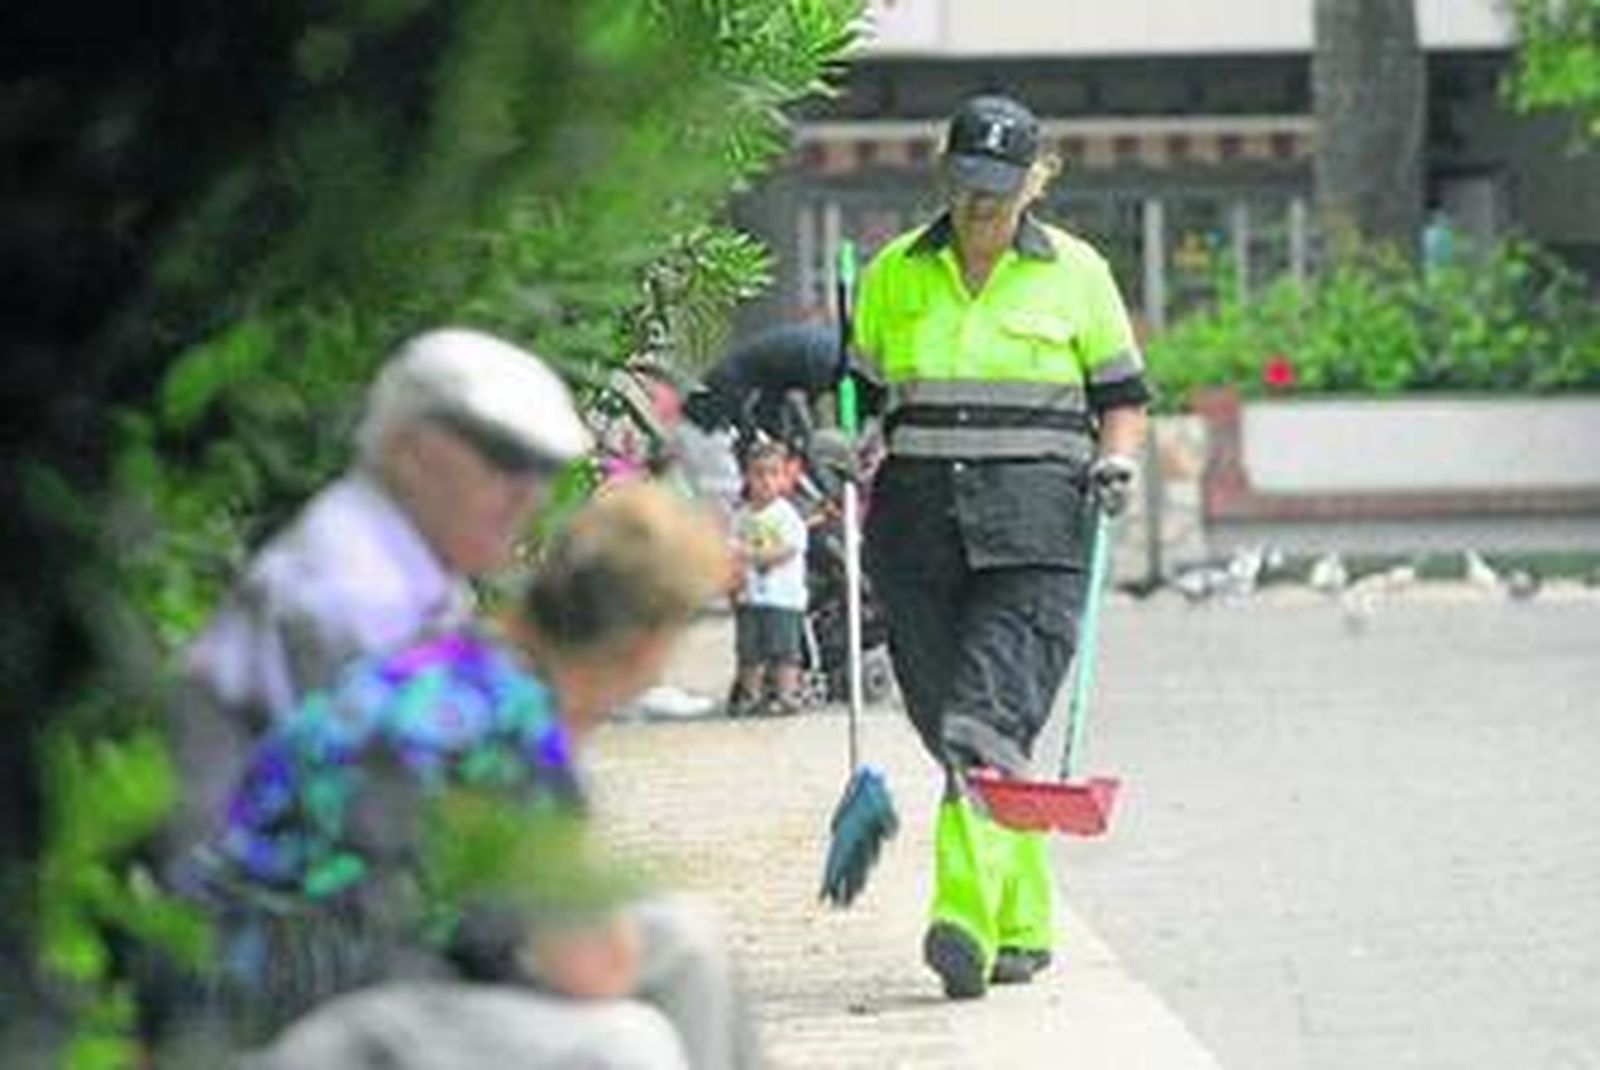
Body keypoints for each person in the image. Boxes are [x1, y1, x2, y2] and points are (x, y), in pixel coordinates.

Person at [199, 483, 757, 1068]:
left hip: (342, 978)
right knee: (628, 1043)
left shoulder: (463, 666)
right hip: (289, 1020)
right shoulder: (503, 724)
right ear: (643, 646)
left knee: (689, 941)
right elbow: (593, 965)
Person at [851, 94, 1150, 999]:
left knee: (982, 725)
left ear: (1037, 180)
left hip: (1037, 537)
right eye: (969, 182)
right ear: (945, 172)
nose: (982, 202)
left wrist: (1118, 464)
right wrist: (841, 442)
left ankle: (962, 922)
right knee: (964, 738)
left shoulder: (1078, 274)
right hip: (916, 541)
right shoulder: (893, 273)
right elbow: (860, 397)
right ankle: (1026, 920)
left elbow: (1124, 400)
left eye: (1001, 185)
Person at [160, 327, 592, 883]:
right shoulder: (354, 593)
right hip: (263, 917)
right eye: (505, 459)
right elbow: (403, 824)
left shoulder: (405, 561)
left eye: (543, 471)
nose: (528, 495)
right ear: (408, 452)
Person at [728, 441, 810, 717]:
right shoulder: (741, 516)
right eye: (758, 473)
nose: (765, 481)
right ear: (747, 477)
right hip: (750, 597)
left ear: (784, 478)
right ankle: (749, 694)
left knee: (785, 651)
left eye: (773, 473)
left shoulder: (787, 515)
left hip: (783, 598)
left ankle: (787, 694)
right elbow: (730, 549)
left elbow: (788, 550)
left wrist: (752, 555)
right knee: (749, 651)